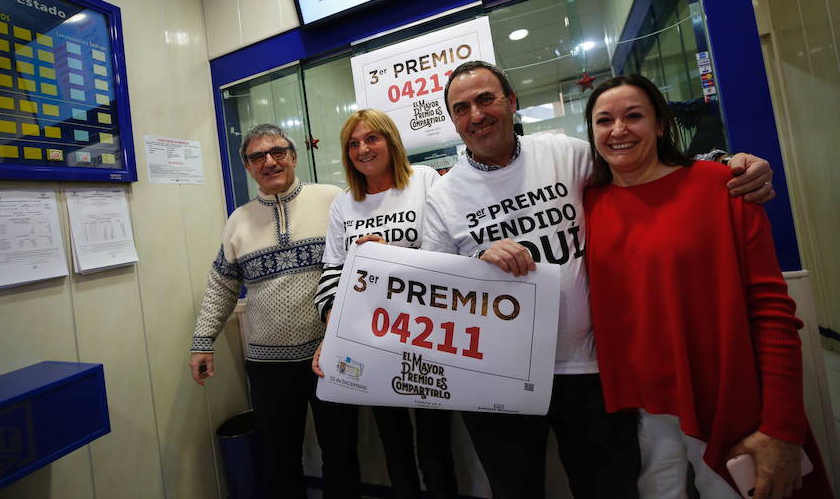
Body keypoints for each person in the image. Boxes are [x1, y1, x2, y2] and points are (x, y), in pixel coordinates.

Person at [420, 60, 776, 499]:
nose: (476, 115)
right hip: (499, 379)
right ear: (453, 121)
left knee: (609, 487)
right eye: (461, 108)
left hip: (588, 371)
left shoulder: (564, 153)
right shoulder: (442, 195)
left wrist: (724, 163)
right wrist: (477, 257)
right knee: (515, 489)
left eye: (486, 99)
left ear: (511, 102)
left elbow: (638, 162)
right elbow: (435, 287)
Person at [582, 74, 832, 499]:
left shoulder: (721, 185)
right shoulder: (587, 202)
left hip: (720, 401)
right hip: (640, 410)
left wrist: (782, 425)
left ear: (661, 124)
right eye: (604, 120)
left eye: (634, 116)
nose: (618, 129)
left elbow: (771, 311)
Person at [188, 124, 360, 499]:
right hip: (269, 367)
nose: (269, 161)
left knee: (342, 454)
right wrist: (202, 342)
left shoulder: (332, 199)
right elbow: (222, 286)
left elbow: (359, 265)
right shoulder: (238, 222)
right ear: (248, 168)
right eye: (257, 157)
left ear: (294, 156)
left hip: (330, 355)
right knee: (280, 460)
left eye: (278, 151)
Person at [312, 109, 458, 499]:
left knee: (435, 446)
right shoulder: (344, 204)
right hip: (372, 341)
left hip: (428, 338)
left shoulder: (425, 181)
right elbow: (333, 272)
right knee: (394, 444)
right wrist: (333, 328)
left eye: (372, 138)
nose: (363, 149)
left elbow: (448, 256)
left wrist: (388, 255)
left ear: (391, 140)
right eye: (353, 144)